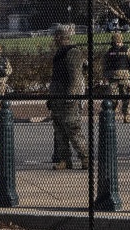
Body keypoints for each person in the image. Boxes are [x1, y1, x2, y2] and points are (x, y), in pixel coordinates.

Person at [49, 24, 89, 170]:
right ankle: (65, 159)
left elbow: (76, 77)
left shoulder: (72, 52)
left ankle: (85, 157)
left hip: (69, 97)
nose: (53, 39)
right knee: (59, 129)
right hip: (57, 97)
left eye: (55, 36)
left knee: (72, 128)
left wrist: (72, 96)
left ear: (60, 37)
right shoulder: (60, 53)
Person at [102, 32, 130, 123]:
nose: (116, 44)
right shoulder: (111, 51)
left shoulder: (126, 50)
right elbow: (104, 64)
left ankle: (125, 116)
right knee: (114, 98)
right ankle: (113, 115)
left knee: (126, 98)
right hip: (115, 79)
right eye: (115, 42)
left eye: (117, 42)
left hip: (122, 78)